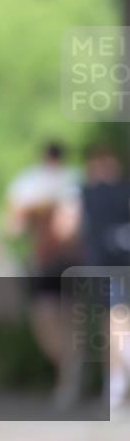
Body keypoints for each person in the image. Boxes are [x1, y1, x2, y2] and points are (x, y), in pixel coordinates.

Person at [5, 141, 84, 409]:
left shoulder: (74, 181)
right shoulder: (28, 182)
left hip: (70, 261)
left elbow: (72, 227)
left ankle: (68, 382)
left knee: (70, 321)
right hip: (42, 261)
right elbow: (13, 224)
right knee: (45, 320)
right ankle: (70, 368)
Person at [76, 143, 130, 412]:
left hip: (105, 266)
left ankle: (116, 387)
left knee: (114, 321)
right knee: (118, 320)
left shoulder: (87, 193)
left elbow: (70, 226)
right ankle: (116, 387)